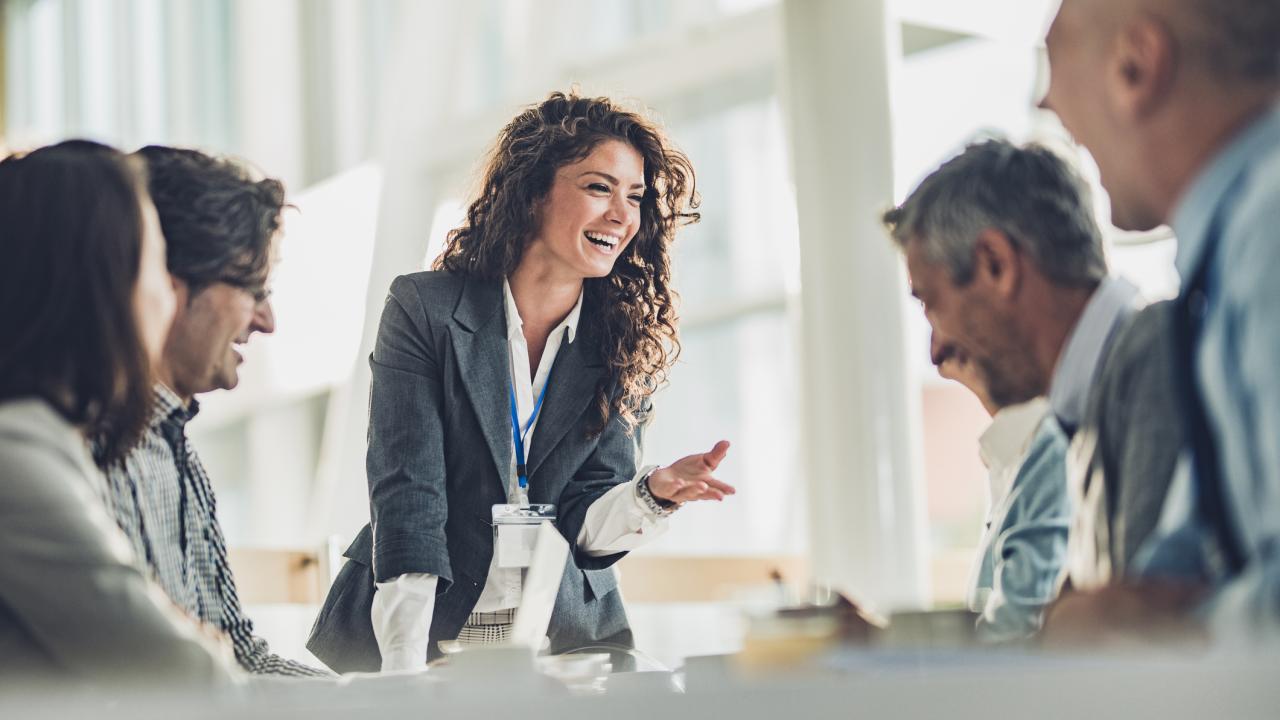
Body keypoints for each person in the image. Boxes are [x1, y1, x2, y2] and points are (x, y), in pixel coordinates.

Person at [308, 91, 735, 672]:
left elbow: (585, 528)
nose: (621, 214)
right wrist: (403, 676)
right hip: (420, 630)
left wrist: (652, 492)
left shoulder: (622, 339)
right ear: (533, 193)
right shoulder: (425, 309)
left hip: (565, 646)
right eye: (597, 187)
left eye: (634, 196)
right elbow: (408, 491)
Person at [1038, 0, 1280, 647]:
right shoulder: (1229, 256)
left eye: (1055, 54)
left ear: (1135, 68)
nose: (1048, 107)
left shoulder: (1270, 238)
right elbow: (1192, 553)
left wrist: (1175, 629)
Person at [883, 139, 1140, 640]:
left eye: (931, 303)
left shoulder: (1155, 365)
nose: (937, 354)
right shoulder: (1089, 409)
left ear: (996, 264)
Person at [0, 140, 235, 685]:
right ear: (101, 280)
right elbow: (182, 674)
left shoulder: (49, 438)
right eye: (156, 263)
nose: (170, 296)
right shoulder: (17, 454)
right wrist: (195, 641)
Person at [100, 146, 327, 677]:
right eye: (253, 289)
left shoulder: (175, 447)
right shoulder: (88, 452)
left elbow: (243, 658)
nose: (266, 321)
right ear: (170, 285)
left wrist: (379, 702)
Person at [927, 330, 1069, 643]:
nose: (932, 345)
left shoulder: (1049, 448)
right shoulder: (1010, 455)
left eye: (929, 302)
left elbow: (1012, 633)